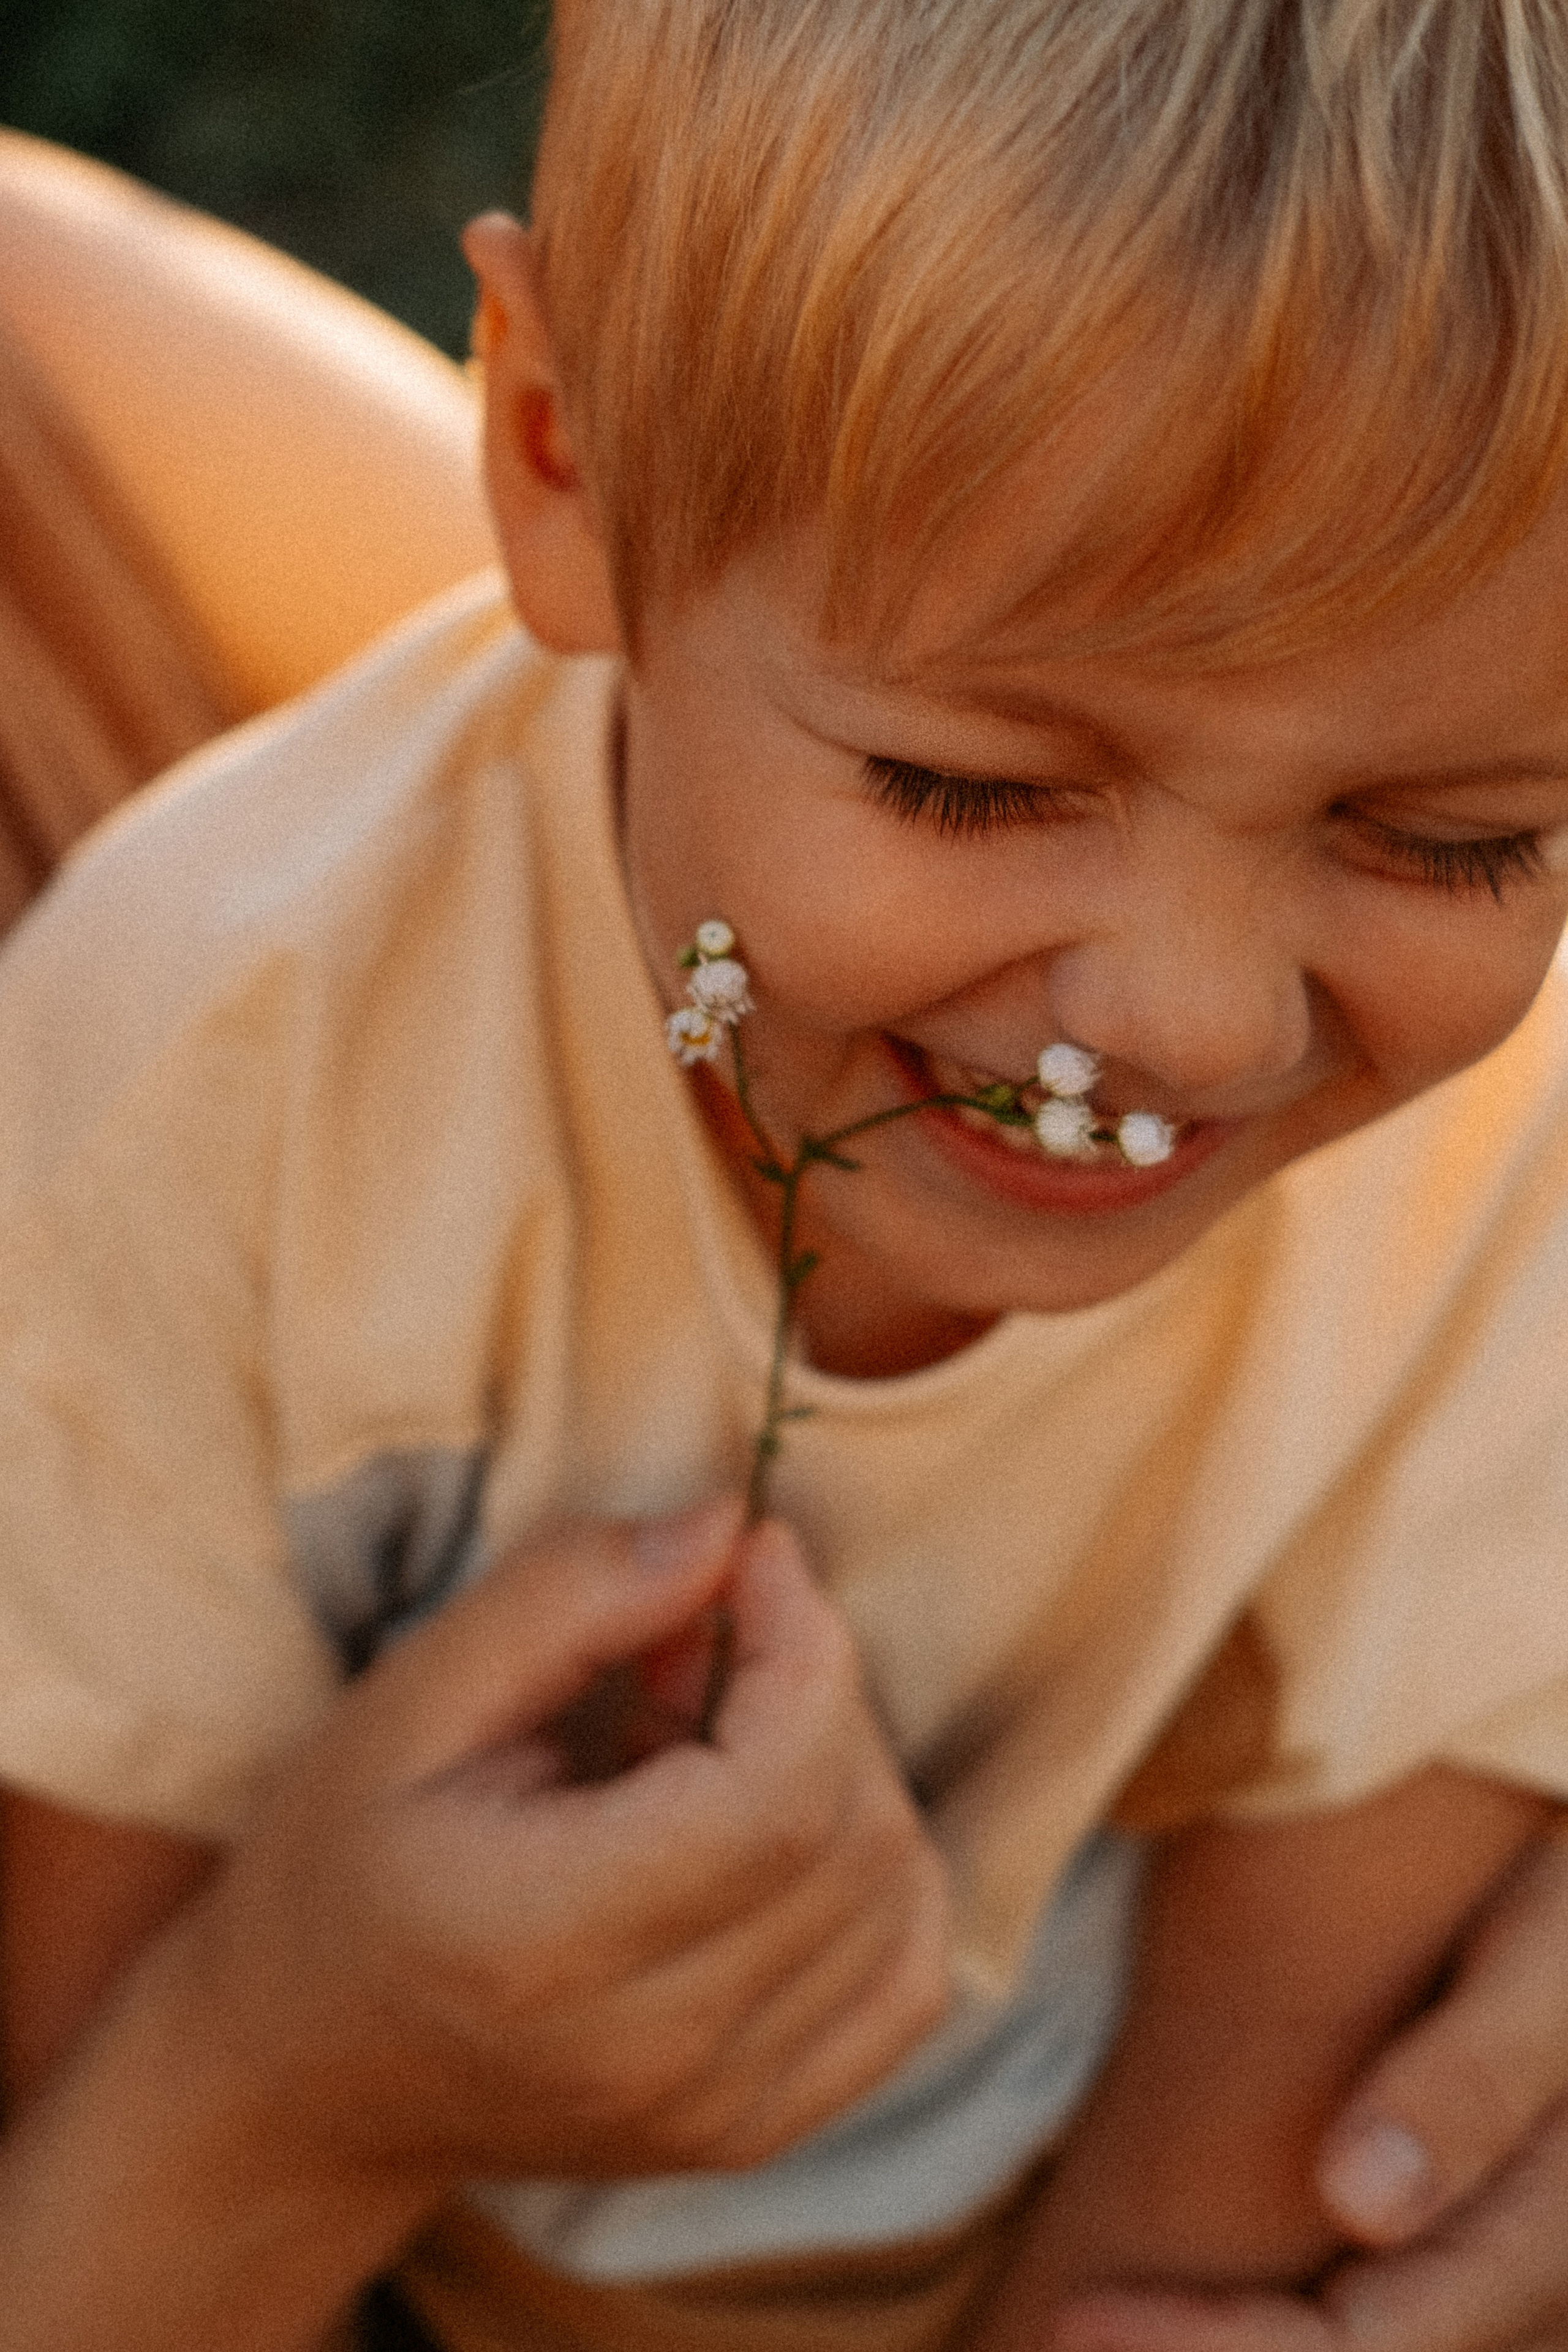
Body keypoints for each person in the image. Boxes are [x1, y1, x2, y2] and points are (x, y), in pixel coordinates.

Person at [4, 12, 1568, 2350]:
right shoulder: (198, 1074)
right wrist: (303, 2082)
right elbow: (100, 2066)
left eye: (1457, 840)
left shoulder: (1494, 1174)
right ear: (556, 456)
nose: (1199, 1020)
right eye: (970, 787)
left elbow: (1246, 2179)